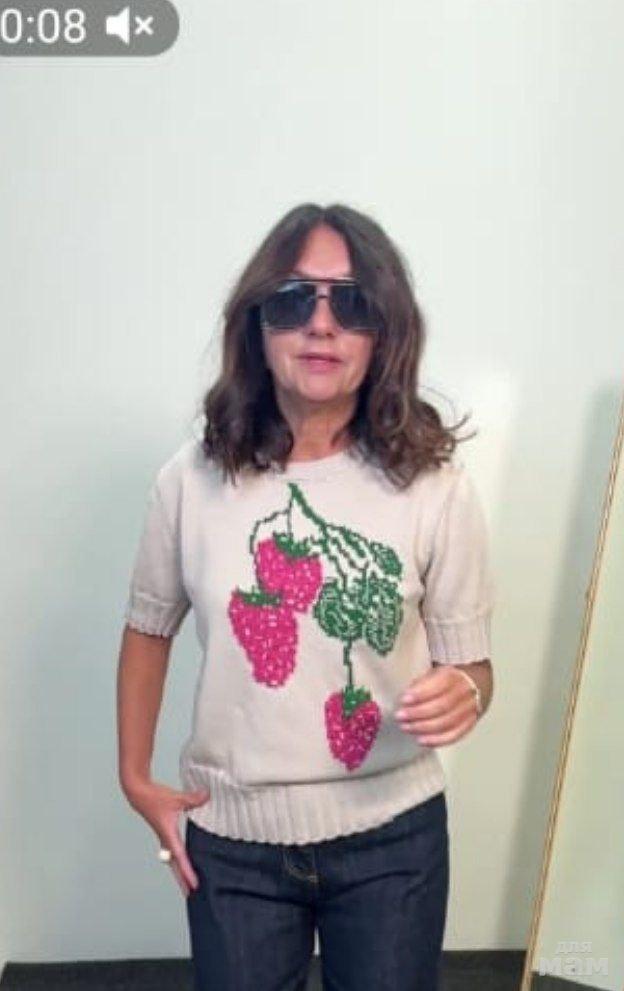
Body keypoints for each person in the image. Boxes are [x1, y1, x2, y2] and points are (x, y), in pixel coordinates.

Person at [116, 202, 496, 991]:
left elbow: (473, 668)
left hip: (394, 841)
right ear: (256, 324)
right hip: (233, 848)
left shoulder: (434, 485)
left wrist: (466, 691)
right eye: (294, 300)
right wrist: (136, 777)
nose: (321, 324)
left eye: (351, 303)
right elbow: (148, 627)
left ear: (384, 331)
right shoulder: (192, 479)